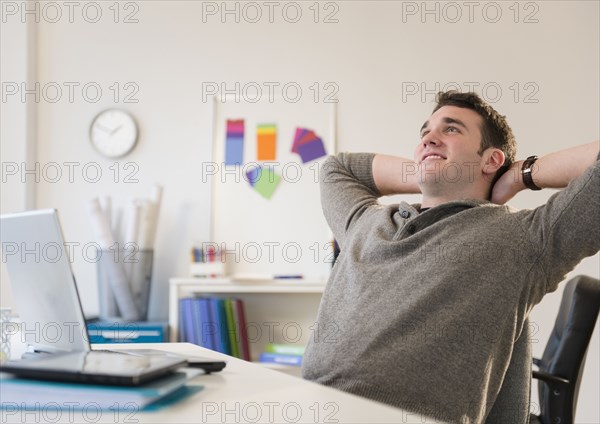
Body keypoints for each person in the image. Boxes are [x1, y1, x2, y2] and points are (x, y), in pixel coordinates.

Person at [301, 91, 600, 424]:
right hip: (309, 406)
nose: (429, 138)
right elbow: (336, 168)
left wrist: (518, 175)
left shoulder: (522, 238)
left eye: (451, 129)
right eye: (425, 132)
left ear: (491, 160)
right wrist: (426, 169)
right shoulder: (366, 221)